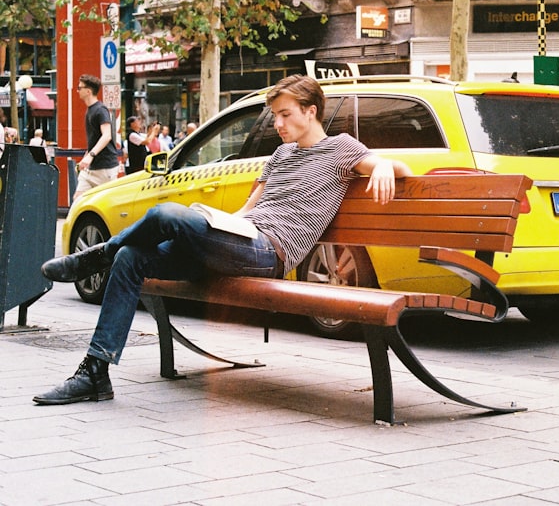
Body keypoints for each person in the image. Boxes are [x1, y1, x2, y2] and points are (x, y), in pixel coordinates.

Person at [34, 74, 412, 405]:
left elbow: (401, 167)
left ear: (310, 111)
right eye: (275, 115)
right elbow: (250, 209)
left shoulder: (341, 148)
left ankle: (95, 256)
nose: (277, 123)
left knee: (166, 213)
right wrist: (215, 224)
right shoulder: (280, 155)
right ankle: (95, 373)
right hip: (238, 240)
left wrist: (380, 166)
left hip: (269, 252)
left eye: (285, 114)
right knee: (132, 257)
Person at [74, 75, 119, 203]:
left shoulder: (100, 110)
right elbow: (94, 139)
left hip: (105, 167)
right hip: (91, 169)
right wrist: (86, 157)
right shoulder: (90, 110)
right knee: (78, 199)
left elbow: (107, 135)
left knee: (108, 203)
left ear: (88, 91)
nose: (77, 91)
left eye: (79, 88)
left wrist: (91, 155)